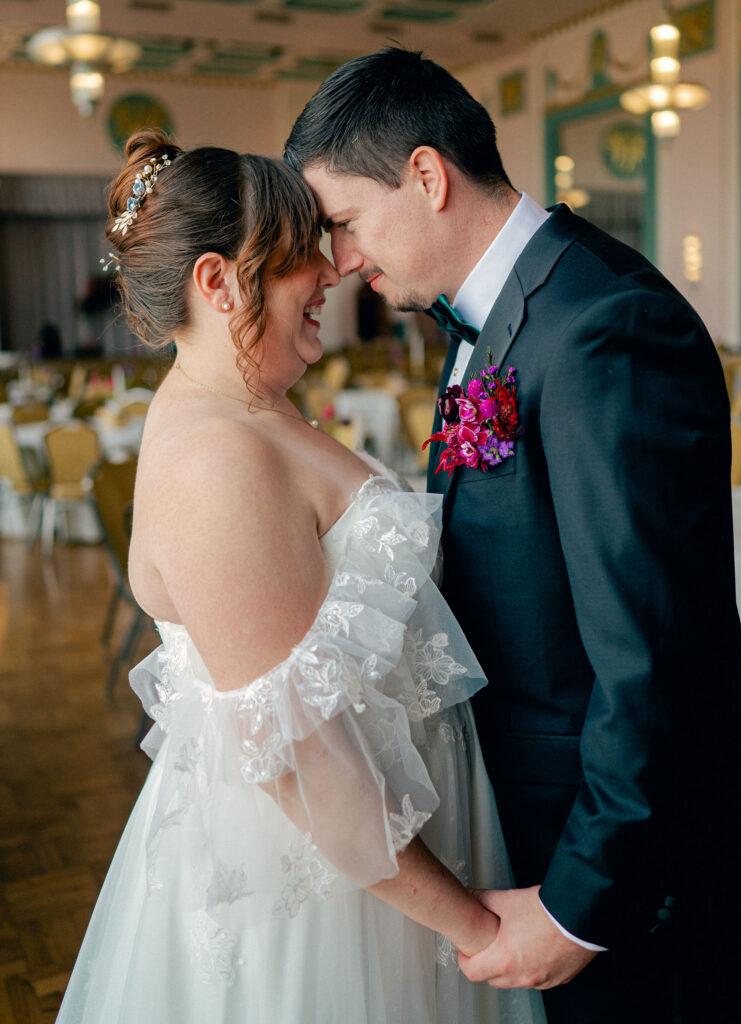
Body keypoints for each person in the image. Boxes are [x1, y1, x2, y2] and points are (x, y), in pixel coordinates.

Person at [284, 46, 741, 1024]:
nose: (340, 262)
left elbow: (651, 663)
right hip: (542, 833)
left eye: (343, 224)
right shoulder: (496, 321)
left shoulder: (602, 326)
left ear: (426, 177)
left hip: (634, 880)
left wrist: (581, 907)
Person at [55, 130, 546, 1024]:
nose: (332, 272)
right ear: (217, 281)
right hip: (338, 902)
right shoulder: (213, 460)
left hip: (394, 845)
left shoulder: (250, 405)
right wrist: (473, 926)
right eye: (294, 258)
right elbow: (301, 760)